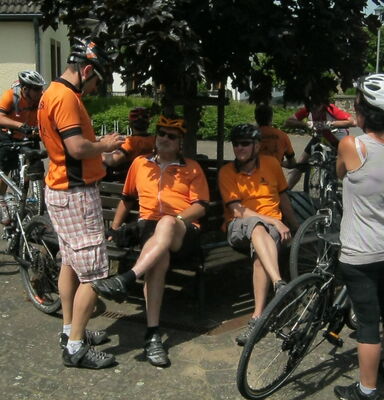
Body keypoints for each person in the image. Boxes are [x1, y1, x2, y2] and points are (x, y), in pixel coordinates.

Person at [91, 115, 210, 367]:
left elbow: (200, 206)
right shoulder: (140, 164)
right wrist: (114, 228)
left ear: (180, 143)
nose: (165, 138)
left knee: (166, 223)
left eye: (172, 136)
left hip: (183, 231)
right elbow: (127, 199)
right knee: (158, 260)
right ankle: (152, 334)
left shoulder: (191, 168)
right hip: (150, 230)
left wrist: (177, 219)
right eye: (162, 133)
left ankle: (127, 278)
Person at [37, 37, 126, 369]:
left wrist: (98, 147)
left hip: (60, 189)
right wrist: (105, 146)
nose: (94, 88)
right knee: (94, 274)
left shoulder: (51, 93)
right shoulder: (66, 98)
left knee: (70, 264)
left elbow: (67, 146)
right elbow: (76, 148)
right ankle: (75, 347)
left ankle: (69, 330)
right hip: (76, 194)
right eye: (96, 81)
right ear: (86, 71)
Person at [334, 73, 384, 400]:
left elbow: (340, 173)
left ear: (367, 113)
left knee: (368, 324)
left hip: (360, 255)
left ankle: (367, 389)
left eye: (358, 106)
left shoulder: (351, 145)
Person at [218, 123, 298, 346]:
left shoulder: (271, 164)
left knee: (261, 258)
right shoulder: (227, 172)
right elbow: (237, 210)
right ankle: (279, 283)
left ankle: (257, 317)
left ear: (257, 145)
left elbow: (283, 197)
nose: (239, 148)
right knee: (256, 224)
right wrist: (275, 221)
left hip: (270, 230)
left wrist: (295, 225)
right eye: (236, 144)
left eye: (245, 144)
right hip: (239, 226)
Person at [0, 70, 46, 224]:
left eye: (41, 88)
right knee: (4, 168)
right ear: (25, 89)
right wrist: (19, 125)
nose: (40, 92)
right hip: (9, 135)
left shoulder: (40, 98)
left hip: (30, 134)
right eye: (37, 89)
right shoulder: (10, 96)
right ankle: (1, 200)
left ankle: (33, 196)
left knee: (36, 163)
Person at [285, 96, 355, 189]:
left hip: (337, 140)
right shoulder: (308, 109)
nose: (315, 110)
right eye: (312, 106)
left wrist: (329, 124)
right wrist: (305, 124)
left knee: (346, 169)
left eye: (317, 106)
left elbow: (352, 122)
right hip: (320, 138)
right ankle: (287, 190)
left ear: (323, 104)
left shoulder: (330, 108)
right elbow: (288, 122)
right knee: (300, 164)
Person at [254, 103, 296, 168]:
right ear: (271, 118)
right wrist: (280, 163)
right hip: (275, 172)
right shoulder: (282, 135)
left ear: (256, 118)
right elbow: (292, 163)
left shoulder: (250, 135)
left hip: (254, 173)